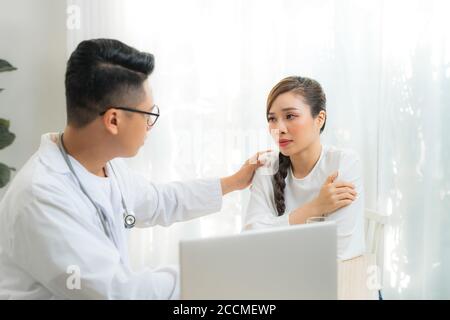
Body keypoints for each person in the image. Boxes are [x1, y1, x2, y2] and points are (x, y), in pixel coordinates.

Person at [0, 39, 265, 299]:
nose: (151, 124)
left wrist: (234, 181)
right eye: (148, 114)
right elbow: (118, 292)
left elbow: (158, 201)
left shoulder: (105, 166)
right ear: (113, 120)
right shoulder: (41, 196)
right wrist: (208, 274)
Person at [244, 76, 365, 260]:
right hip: (284, 282)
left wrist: (273, 239)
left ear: (320, 119)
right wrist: (315, 207)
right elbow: (250, 242)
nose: (279, 128)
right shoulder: (266, 166)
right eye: (272, 119)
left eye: (290, 116)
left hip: (342, 282)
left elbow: (338, 253)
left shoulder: (344, 162)